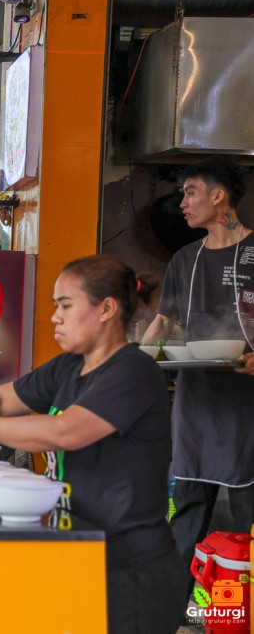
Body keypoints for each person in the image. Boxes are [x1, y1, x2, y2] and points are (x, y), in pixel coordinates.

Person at [0, 255, 182, 633]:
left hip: (130, 571)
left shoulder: (133, 371)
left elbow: (64, 432)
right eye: (54, 307)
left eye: (65, 305)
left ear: (107, 309)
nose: (56, 317)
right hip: (82, 554)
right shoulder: (68, 367)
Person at [141, 158, 254, 606]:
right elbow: (163, 325)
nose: (182, 202)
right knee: (185, 513)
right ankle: (170, 609)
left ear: (217, 197)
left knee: (248, 516)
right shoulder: (185, 259)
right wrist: (134, 365)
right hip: (195, 405)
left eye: (190, 192)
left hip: (247, 407)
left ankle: (240, 610)